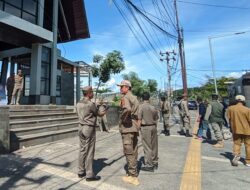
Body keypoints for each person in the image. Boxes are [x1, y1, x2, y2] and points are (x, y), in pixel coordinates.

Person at [76, 86, 107, 181]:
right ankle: (89, 174)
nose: (93, 93)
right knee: (89, 151)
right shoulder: (90, 104)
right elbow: (99, 114)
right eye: (92, 92)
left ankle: (81, 171)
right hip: (88, 129)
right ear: (89, 93)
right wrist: (105, 108)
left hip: (80, 128)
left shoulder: (78, 103)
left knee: (82, 149)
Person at [117, 80, 140, 186]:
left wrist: (123, 120)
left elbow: (127, 110)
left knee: (128, 151)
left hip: (128, 128)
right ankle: (133, 173)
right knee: (134, 150)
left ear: (127, 87)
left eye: (121, 87)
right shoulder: (134, 97)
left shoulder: (125, 97)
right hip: (134, 127)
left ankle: (133, 175)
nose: (120, 88)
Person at [138, 92, 159, 172]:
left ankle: (149, 165)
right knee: (154, 146)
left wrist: (137, 129)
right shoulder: (153, 107)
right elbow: (156, 118)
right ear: (149, 98)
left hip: (145, 128)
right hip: (153, 127)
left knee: (147, 147)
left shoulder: (141, 107)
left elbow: (139, 119)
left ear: (142, 98)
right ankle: (155, 162)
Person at [227, 95, 250, 167]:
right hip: (247, 130)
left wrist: (231, 128)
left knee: (237, 144)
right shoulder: (247, 109)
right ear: (243, 101)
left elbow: (229, 119)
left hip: (236, 130)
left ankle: (236, 157)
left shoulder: (230, 108)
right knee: (248, 145)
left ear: (236, 100)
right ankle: (248, 161)